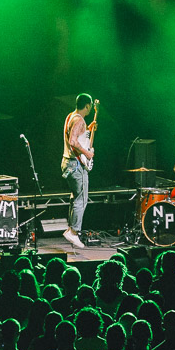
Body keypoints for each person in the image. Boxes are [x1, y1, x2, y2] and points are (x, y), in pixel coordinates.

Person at [62, 93, 97, 249]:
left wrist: (88, 129)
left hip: (67, 163)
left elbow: (76, 135)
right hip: (75, 164)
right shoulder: (79, 120)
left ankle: (71, 228)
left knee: (75, 197)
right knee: (82, 199)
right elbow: (73, 141)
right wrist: (87, 153)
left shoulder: (71, 116)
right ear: (88, 106)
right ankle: (74, 232)